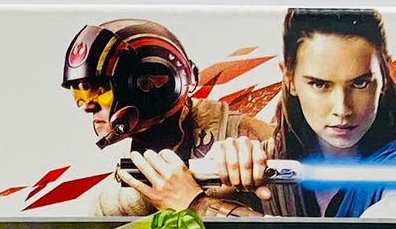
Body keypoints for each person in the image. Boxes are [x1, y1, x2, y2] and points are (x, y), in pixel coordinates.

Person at [190, 8, 396, 219]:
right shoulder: (266, 158)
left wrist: (203, 207)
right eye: (320, 85)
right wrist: (214, 176)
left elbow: (390, 224)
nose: (342, 109)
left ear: (385, 74)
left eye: (360, 83)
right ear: (289, 78)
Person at [60, 18, 270, 218]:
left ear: (147, 86)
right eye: (80, 94)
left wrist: (196, 205)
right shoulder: (113, 201)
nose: (87, 106)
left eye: (100, 91)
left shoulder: (253, 141)